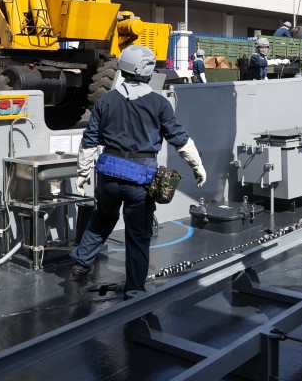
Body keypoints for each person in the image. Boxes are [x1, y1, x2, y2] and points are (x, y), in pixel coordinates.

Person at [70, 45, 207, 295]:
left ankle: (81, 264)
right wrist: (197, 166)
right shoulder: (158, 103)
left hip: (108, 177)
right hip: (140, 181)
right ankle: (134, 289)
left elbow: (89, 141)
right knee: (137, 235)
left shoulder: (105, 101)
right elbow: (180, 139)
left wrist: (82, 174)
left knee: (102, 219)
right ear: (148, 69)